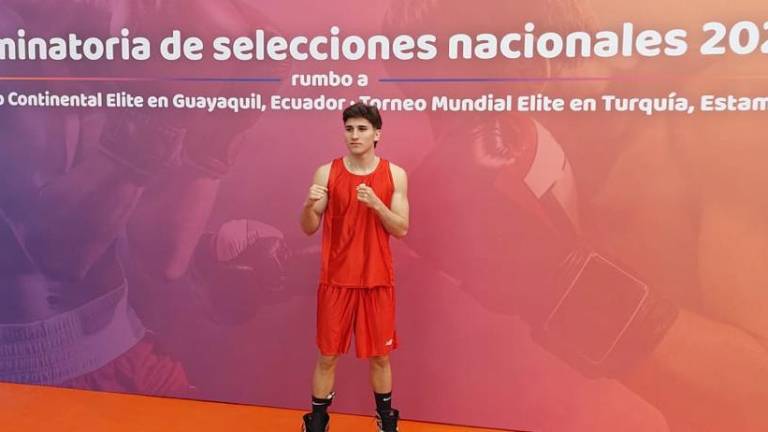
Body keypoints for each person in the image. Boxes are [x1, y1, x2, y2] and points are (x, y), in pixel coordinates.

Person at [299, 103, 409, 432]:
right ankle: (317, 421)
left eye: (362, 129)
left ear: (377, 134)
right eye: (349, 129)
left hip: (377, 279)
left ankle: (386, 419)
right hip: (336, 278)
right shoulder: (326, 172)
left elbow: (401, 228)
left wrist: (377, 204)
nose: (354, 135)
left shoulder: (395, 174)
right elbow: (308, 227)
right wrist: (308, 204)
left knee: (381, 356)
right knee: (327, 355)